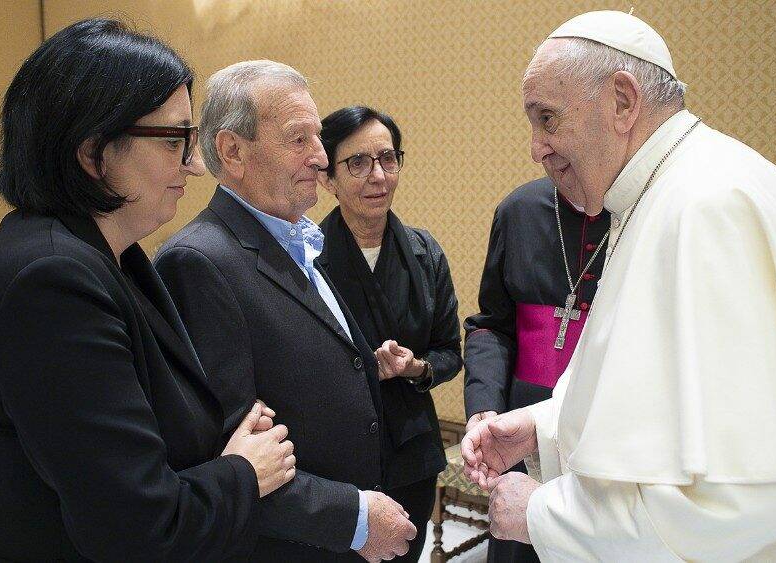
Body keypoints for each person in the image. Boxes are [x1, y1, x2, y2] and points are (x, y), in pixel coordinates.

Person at [462, 10, 776, 561]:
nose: (536, 147)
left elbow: (734, 498)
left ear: (623, 102)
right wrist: (541, 427)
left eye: (547, 118)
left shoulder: (707, 209)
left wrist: (543, 514)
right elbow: (658, 399)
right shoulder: (663, 193)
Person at [0, 19, 295, 562]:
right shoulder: (51, 284)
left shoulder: (105, 255)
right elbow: (138, 527)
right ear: (93, 153)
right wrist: (243, 473)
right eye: (175, 140)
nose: (195, 164)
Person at [154, 62, 416, 563]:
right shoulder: (200, 262)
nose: (321, 159)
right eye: (301, 140)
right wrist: (355, 519)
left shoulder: (295, 240)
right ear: (233, 152)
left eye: (318, 139)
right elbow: (226, 454)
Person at [316, 105, 463, 562]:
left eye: (387, 158)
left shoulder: (424, 253)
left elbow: (448, 353)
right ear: (327, 176)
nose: (377, 175)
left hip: (410, 448)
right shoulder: (307, 259)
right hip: (335, 452)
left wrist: (415, 367)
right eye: (357, 163)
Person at [463, 171, 609, 563]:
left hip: (604, 431)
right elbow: (493, 324)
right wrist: (485, 403)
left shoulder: (640, 211)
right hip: (522, 428)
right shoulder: (518, 210)